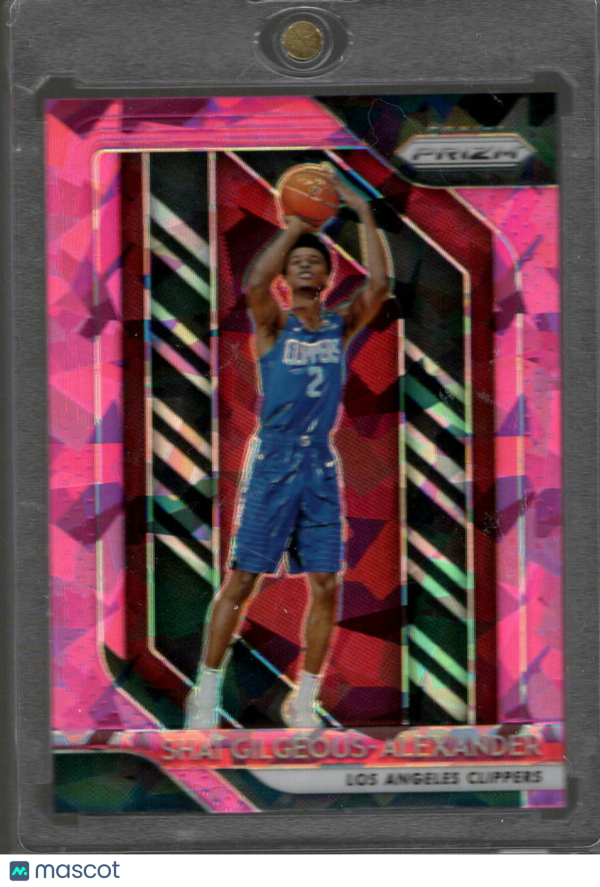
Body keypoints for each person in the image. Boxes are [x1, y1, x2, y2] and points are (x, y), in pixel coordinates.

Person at [185, 171, 389, 729]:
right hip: (273, 458)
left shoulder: (338, 326)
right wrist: (296, 225)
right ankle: (206, 690)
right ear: (286, 273)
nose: (303, 265)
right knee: (244, 579)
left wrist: (362, 214)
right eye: (295, 260)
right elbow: (255, 282)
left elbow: (379, 285)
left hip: (319, 462)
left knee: (325, 584)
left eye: (313, 260)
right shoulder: (273, 324)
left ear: (326, 275)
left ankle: (303, 699)